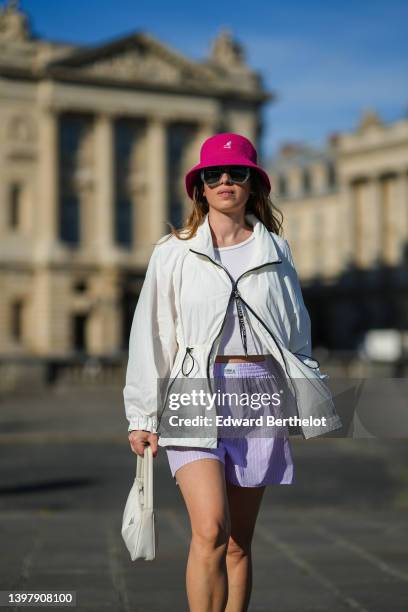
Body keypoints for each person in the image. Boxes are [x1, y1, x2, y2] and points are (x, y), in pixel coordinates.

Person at [124, 132, 342, 612]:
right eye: (213, 175)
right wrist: (142, 414)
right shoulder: (173, 251)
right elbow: (153, 333)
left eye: (236, 173)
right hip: (194, 391)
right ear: (199, 187)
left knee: (239, 542)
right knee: (210, 529)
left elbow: (295, 331)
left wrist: (308, 396)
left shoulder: (277, 250)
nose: (225, 181)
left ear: (253, 185)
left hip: (258, 392)